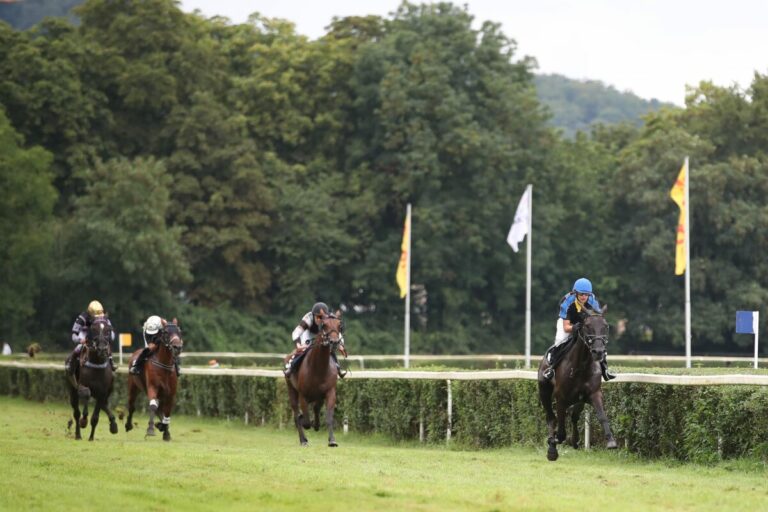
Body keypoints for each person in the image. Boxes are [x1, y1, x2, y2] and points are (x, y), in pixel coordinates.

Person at [542, 278, 616, 381]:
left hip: (586, 324)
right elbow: (566, 327)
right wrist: (573, 327)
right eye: (581, 294)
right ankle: (552, 368)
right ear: (575, 293)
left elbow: (597, 319)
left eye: (586, 294)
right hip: (568, 323)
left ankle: (605, 370)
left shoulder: (592, 301)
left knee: (598, 342)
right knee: (560, 340)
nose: (584, 297)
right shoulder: (567, 302)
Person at [283, 302, 346, 378]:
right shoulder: (308, 318)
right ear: (313, 315)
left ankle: (338, 368)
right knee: (304, 349)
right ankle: (291, 367)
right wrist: (298, 345)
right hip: (309, 334)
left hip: (322, 334)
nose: (320, 319)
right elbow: (296, 333)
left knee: (329, 348)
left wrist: (341, 345)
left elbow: (336, 332)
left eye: (322, 317)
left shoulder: (330, 318)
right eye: (318, 317)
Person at [65, 300, 117, 375]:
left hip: (96, 334)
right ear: (90, 313)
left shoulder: (104, 318)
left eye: (100, 315)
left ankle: (111, 362)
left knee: (105, 345)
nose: (99, 318)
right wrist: (80, 340)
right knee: (80, 347)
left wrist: (109, 338)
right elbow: (74, 334)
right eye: (97, 316)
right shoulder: (82, 317)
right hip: (84, 332)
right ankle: (71, 363)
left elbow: (112, 333)